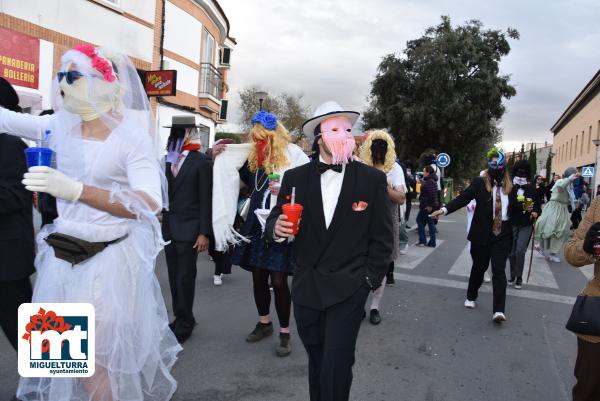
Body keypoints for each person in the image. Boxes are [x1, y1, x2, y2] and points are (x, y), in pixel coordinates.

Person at [0, 44, 180, 401]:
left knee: (99, 364)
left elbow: (149, 203)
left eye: (74, 76)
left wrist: (77, 189)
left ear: (107, 84)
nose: (64, 86)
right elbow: (4, 118)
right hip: (60, 259)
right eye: (61, 77)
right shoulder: (56, 125)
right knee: (60, 362)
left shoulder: (131, 137)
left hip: (108, 263)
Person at [266, 101, 392, 401]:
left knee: (336, 364)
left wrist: (368, 282)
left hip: (349, 288)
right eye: (334, 129)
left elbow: (383, 239)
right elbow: (275, 221)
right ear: (318, 138)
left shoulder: (371, 180)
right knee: (318, 362)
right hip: (308, 289)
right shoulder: (295, 179)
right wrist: (277, 228)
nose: (344, 135)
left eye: (348, 129)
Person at [212, 110, 309, 357]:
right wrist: (218, 157)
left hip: (279, 222)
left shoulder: (293, 155)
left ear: (274, 136)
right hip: (256, 223)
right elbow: (240, 181)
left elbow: (308, 181)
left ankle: (285, 333)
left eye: (263, 137)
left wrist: (286, 187)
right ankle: (264, 323)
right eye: (256, 138)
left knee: (278, 281)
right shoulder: (252, 157)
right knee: (257, 278)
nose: (259, 143)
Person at [432, 148, 513, 323]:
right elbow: (464, 198)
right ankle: (471, 295)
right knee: (479, 267)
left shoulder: (511, 187)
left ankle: (499, 310)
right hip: (482, 233)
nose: (496, 171)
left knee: (499, 271)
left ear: (504, 169)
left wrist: (532, 211)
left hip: (503, 234)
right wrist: (444, 209)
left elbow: (520, 208)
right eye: (493, 167)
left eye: (500, 167)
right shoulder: (479, 183)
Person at [161, 115, 213, 344]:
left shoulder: (200, 161)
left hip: (191, 229)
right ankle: (180, 316)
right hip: (169, 228)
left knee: (185, 277)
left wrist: (204, 232)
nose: (177, 136)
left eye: (181, 132)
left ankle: (186, 322)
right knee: (173, 277)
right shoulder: (167, 160)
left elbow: (206, 199)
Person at [0, 77, 34, 351]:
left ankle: (45, 390)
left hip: (7, 259)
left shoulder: (11, 145)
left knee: (29, 335)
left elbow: (13, 197)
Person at [359, 129, 405, 324]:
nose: (379, 149)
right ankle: (358, 304)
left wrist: (381, 183)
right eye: (375, 145)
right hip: (361, 220)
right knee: (358, 263)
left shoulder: (395, 169)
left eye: (383, 145)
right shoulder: (361, 167)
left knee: (382, 266)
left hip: (387, 221)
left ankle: (375, 307)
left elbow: (401, 198)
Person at [564, 197, 600, 401]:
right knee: (588, 390)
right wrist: (586, 247)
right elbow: (571, 251)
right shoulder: (599, 204)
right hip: (597, 322)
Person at [535, 167, 580, 263]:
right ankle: (546, 249)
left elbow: (570, 200)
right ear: (570, 176)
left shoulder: (570, 187)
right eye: (574, 177)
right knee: (550, 228)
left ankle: (550, 251)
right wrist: (569, 179)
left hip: (562, 209)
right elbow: (560, 187)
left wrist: (577, 202)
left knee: (561, 230)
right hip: (554, 207)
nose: (576, 179)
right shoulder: (561, 181)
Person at [508, 160, 541, 289]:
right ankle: (512, 275)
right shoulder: (510, 188)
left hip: (526, 224)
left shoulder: (532, 189)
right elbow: (508, 205)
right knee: (511, 253)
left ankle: (519, 277)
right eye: (518, 172)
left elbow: (537, 206)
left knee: (520, 251)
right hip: (511, 223)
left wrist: (535, 212)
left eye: (524, 172)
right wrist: (522, 205)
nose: (521, 175)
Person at [416, 165, 438, 247]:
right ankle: (432, 242)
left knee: (419, 220)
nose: (423, 173)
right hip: (429, 205)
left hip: (427, 206)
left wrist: (430, 206)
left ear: (428, 172)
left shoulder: (430, 181)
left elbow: (431, 195)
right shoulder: (431, 180)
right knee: (430, 223)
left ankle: (422, 241)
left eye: (424, 171)